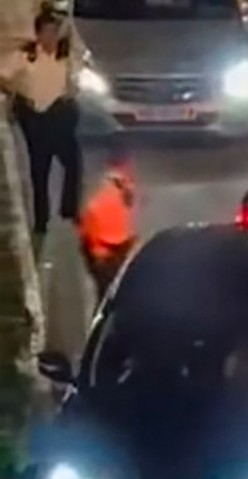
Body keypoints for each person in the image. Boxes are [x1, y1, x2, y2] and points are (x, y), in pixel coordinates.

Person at [6, 10, 81, 234]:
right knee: (40, 172)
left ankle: (69, 210)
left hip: (60, 116)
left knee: (73, 164)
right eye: (46, 32)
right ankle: (41, 220)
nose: (50, 37)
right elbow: (7, 76)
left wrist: (71, 92)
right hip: (38, 120)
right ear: (38, 34)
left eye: (54, 32)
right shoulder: (26, 57)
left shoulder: (66, 55)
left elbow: (75, 78)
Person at [78, 145, 137, 300]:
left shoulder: (106, 191)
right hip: (108, 254)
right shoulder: (116, 193)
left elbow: (84, 236)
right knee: (111, 297)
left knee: (105, 297)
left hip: (102, 254)